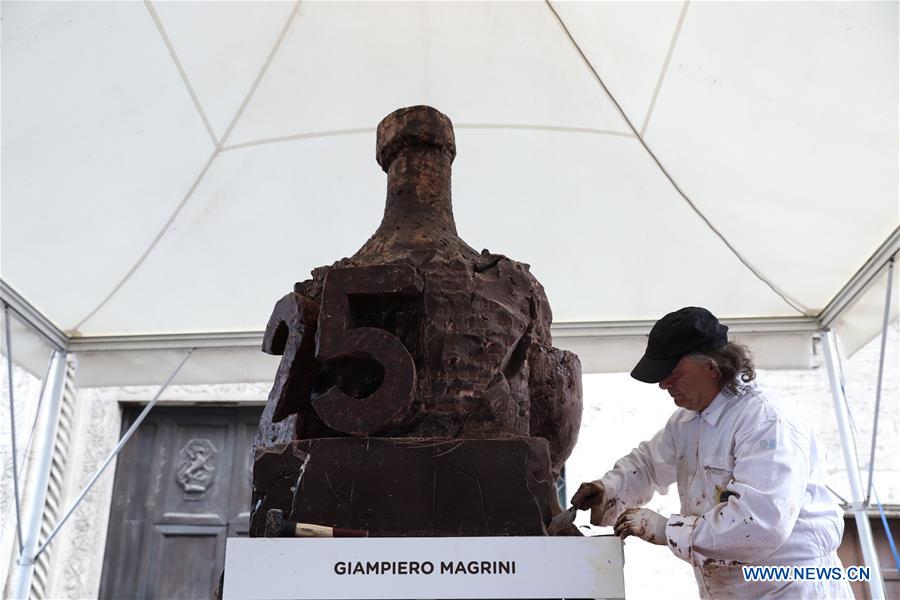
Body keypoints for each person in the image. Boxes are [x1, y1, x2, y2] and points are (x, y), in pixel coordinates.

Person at [572, 307, 853, 599]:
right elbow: (648, 466)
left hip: (789, 588)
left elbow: (760, 525)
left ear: (711, 367)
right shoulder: (686, 423)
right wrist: (608, 489)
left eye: (672, 374)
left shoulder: (765, 421)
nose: (664, 384)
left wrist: (668, 529)